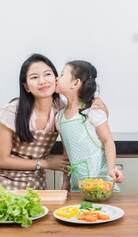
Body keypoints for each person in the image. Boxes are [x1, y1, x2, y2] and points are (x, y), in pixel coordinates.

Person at [0, 54, 107, 192]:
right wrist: (46, 163)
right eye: (34, 77)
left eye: (47, 74)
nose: (42, 81)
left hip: (35, 182)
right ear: (26, 87)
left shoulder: (62, 110)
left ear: (56, 79)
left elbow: (69, 150)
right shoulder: (13, 111)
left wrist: (103, 109)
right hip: (0, 180)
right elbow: (2, 160)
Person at [55, 60, 124, 192]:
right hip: (77, 187)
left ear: (75, 83)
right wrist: (65, 181)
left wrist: (111, 168)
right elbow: (66, 153)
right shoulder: (59, 118)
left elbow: (108, 141)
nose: (57, 78)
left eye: (62, 74)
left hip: (102, 185)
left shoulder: (93, 112)